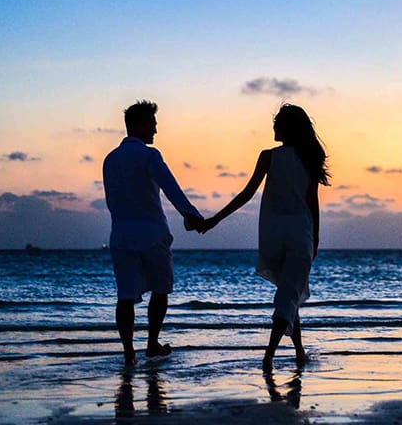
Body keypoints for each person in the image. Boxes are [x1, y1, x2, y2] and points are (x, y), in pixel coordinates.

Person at [201, 104, 329, 372]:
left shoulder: (268, 156)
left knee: (289, 293)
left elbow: (246, 194)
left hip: (272, 236)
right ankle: (268, 357)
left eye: (276, 123)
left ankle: (299, 352)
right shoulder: (309, 158)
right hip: (300, 234)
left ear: (287, 128)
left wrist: (215, 219)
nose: (273, 127)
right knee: (288, 295)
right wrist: (315, 239)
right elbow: (312, 202)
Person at [103, 100, 205, 366]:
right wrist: (192, 216)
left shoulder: (110, 159)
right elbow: (171, 188)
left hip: (121, 234)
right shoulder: (150, 156)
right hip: (151, 233)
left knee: (125, 296)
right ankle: (151, 344)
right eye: (151, 124)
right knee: (160, 290)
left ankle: (128, 352)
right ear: (137, 125)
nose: (155, 131)